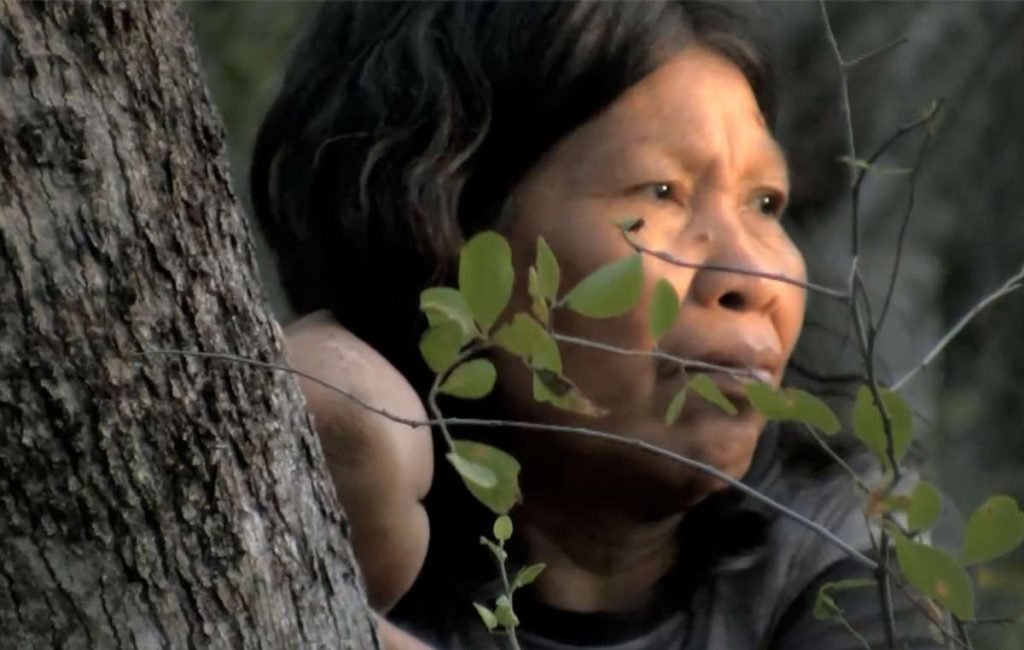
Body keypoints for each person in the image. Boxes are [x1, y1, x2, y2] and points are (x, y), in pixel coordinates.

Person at [250, 2, 942, 648]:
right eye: (662, 192)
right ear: (441, 223)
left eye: (765, 201)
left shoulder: (831, 554)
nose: (755, 278)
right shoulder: (361, 485)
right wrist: (342, 430)